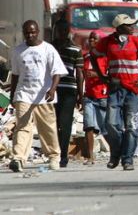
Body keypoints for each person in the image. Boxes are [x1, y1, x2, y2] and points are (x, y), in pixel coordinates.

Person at [92, 14, 138, 171]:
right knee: (111, 123)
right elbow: (94, 56)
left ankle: (127, 159)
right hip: (115, 89)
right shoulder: (107, 42)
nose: (132, 27)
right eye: (129, 25)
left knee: (132, 126)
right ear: (120, 27)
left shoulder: (137, 41)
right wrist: (103, 77)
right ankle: (117, 151)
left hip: (133, 91)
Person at [9, 20, 67, 172]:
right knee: (22, 127)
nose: (30, 35)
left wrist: (52, 89)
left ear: (38, 32)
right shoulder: (18, 51)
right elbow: (15, 75)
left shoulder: (48, 49)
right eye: (27, 32)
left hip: (44, 96)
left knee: (47, 128)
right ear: (24, 33)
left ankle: (54, 156)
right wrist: (13, 95)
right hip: (24, 94)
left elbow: (57, 72)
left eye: (33, 32)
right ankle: (18, 158)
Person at [51, 19, 84, 167]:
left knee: (65, 124)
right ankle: (56, 153)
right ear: (56, 31)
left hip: (69, 90)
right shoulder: (49, 48)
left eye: (65, 30)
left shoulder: (76, 50)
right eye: (60, 30)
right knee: (53, 123)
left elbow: (80, 73)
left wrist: (81, 96)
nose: (62, 33)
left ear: (68, 31)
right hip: (52, 90)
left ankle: (63, 155)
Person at [82, 31, 109, 164]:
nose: (92, 40)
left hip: (102, 96)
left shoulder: (105, 57)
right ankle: (90, 156)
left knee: (105, 128)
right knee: (88, 126)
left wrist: (97, 75)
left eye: (95, 38)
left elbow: (109, 76)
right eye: (91, 38)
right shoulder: (86, 56)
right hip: (89, 96)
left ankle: (116, 152)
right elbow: (81, 74)